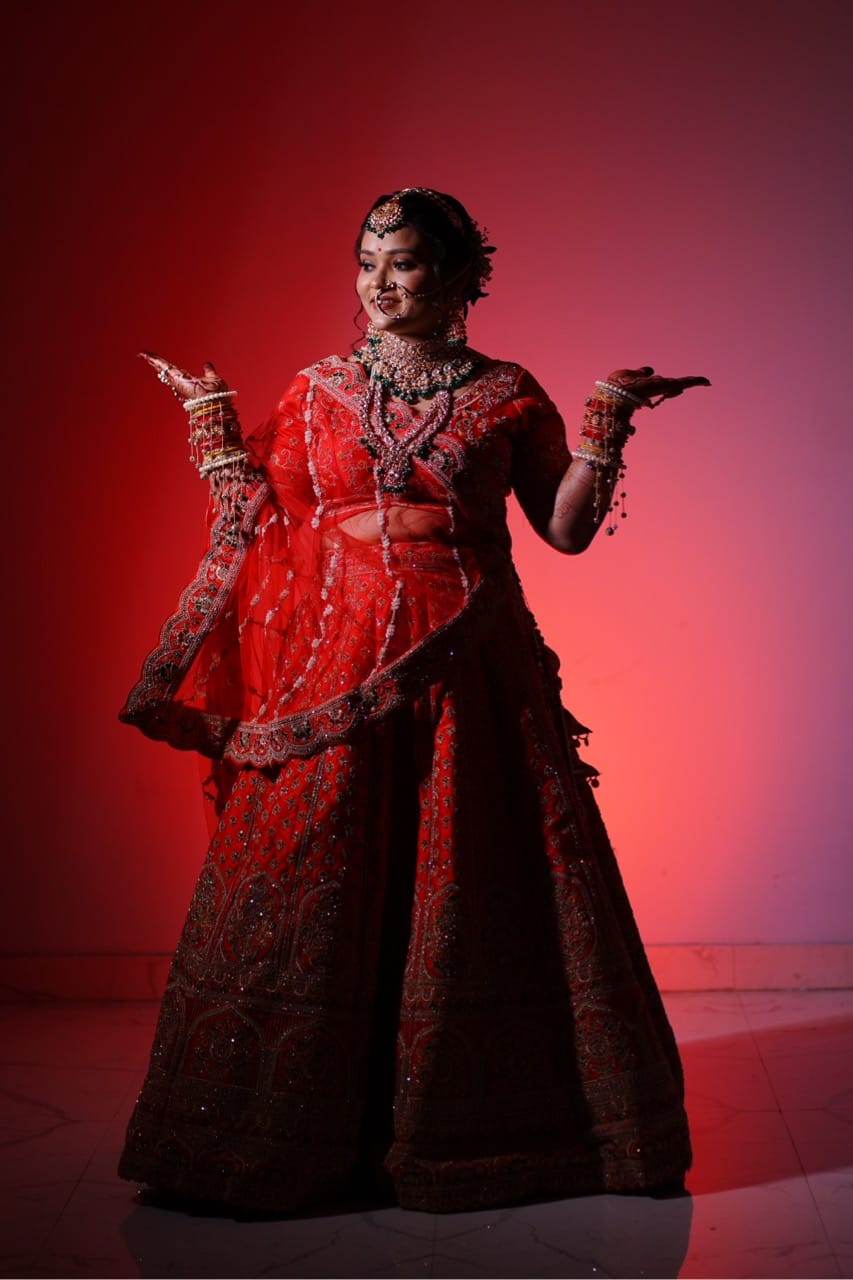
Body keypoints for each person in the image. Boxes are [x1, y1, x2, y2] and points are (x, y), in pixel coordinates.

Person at [118, 187, 709, 1215]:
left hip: (472, 662)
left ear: (459, 275)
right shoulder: (315, 389)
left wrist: (607, 412)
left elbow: (562, 531)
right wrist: (212, 421)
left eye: (404, 263)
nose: (378, 284)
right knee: (314, 874)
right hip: (339, 666)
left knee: (473, 878)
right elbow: (262, 521)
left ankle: (489, 1129)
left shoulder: (507, 392)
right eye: (365, 262)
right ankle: (282, 1134)